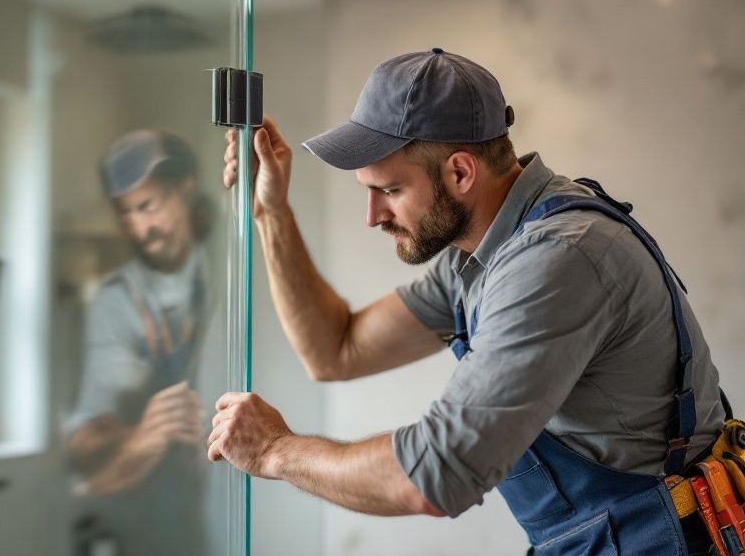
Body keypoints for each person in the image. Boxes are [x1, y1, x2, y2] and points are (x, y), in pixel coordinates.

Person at [206, 48, 729, 554]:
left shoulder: (556, 259)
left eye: (389, 190)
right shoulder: (482, 256)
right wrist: (270, 212)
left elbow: (437, 475)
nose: (373, 216)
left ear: (460, 173)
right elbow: (336, 349)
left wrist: (275, 450)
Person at [67, 129, 214, 555]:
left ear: (185, 188)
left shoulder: (228, 271)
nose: (140, 228)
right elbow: (84, 439)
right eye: (126, 213)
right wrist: (142, 438)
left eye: (149, 205)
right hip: (147, 519)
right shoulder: (116, 301)